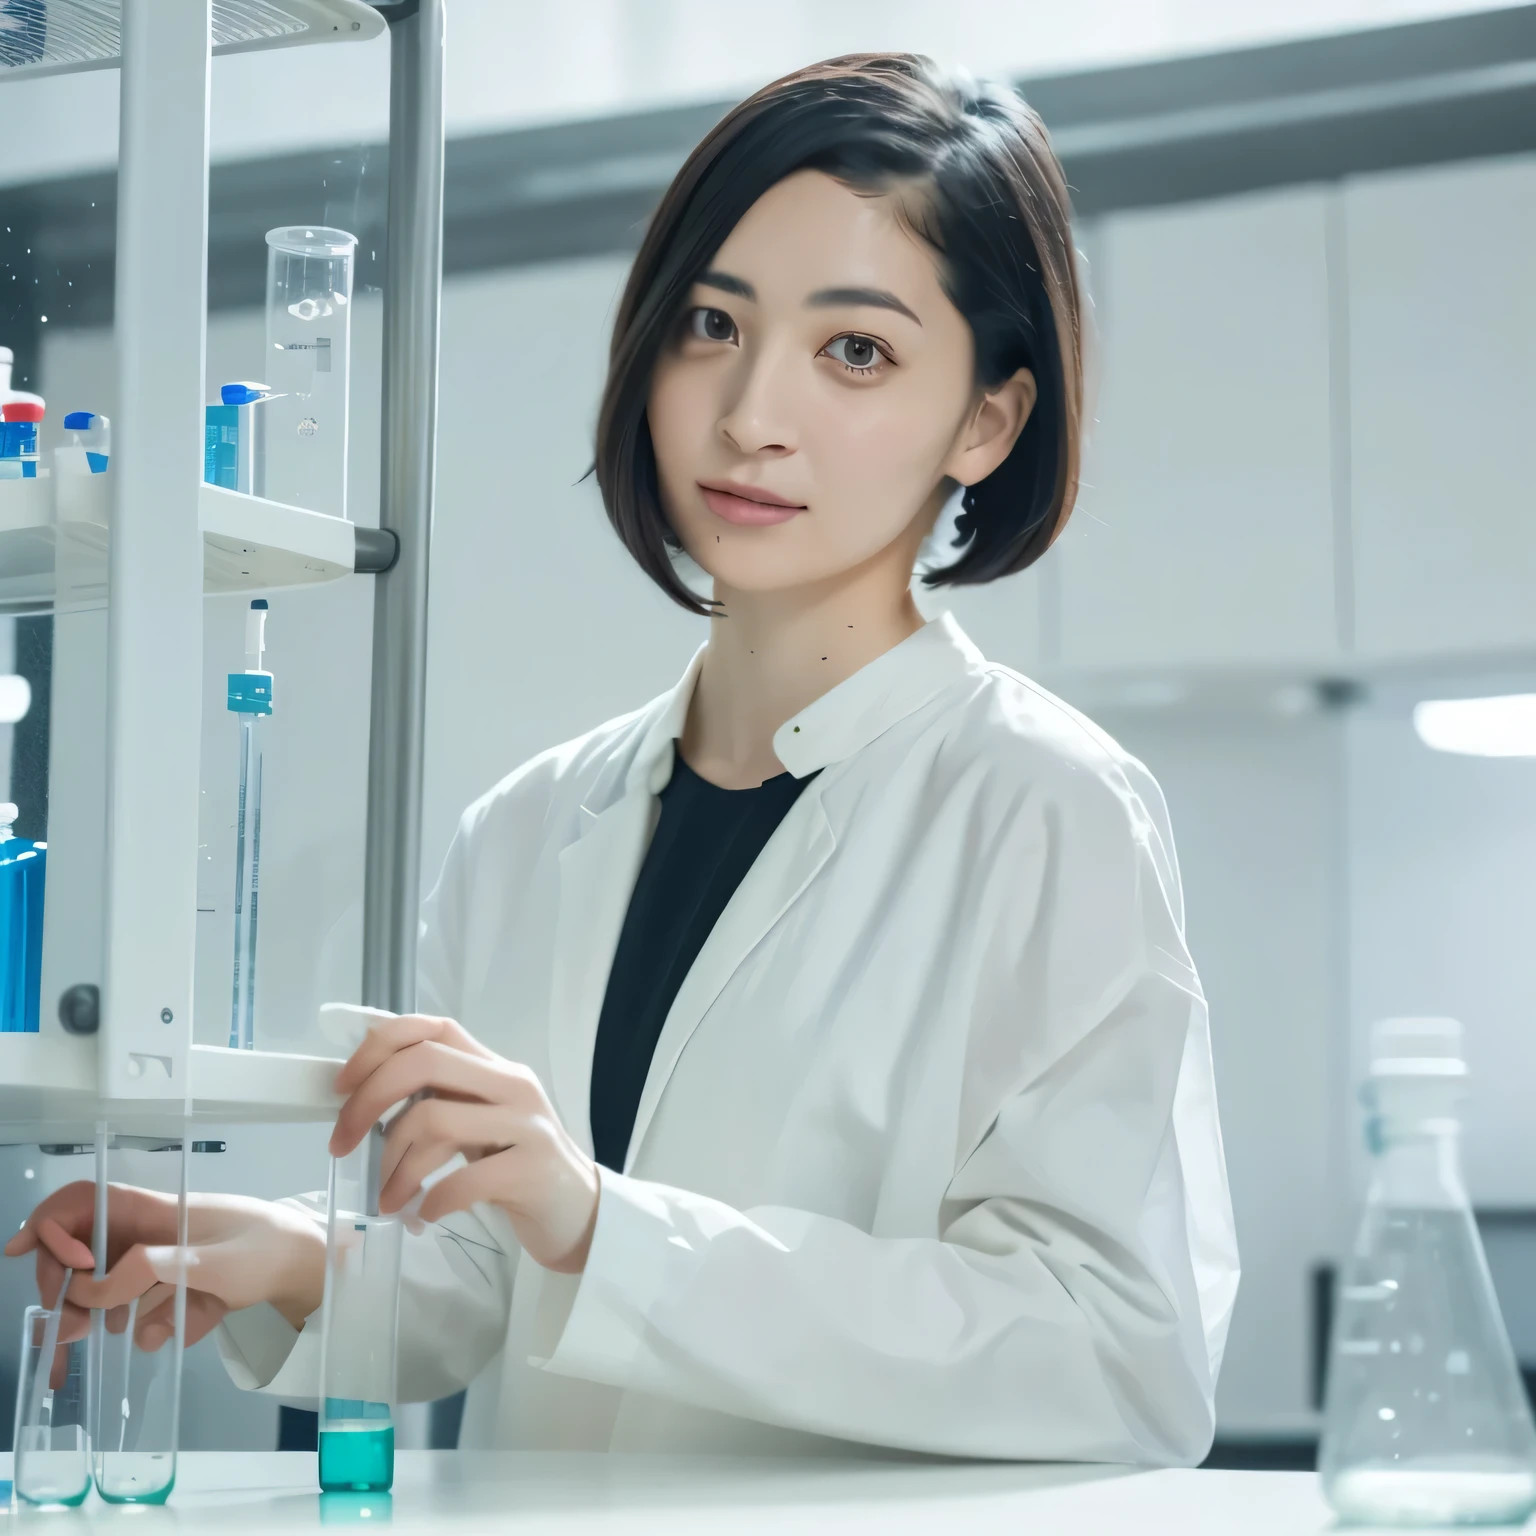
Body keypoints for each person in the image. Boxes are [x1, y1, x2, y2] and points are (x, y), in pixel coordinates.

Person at [8, 53, 1238, 1464]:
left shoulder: (1044, 808)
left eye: (856, 351)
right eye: (713, 324)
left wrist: (604, 1222)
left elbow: (1118, 1355)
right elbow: (491, 1284)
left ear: (988, 421)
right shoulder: (532, 824)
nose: (750, 414)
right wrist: (282, 1255)